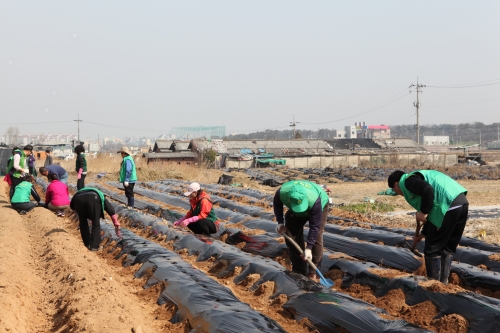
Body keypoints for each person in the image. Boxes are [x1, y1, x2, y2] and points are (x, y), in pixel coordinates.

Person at [388, 170, 469, 284]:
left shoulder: (407, 181)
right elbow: (433, 210)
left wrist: (423, 211)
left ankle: (433, 287)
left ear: (396, 184)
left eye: (393, 189)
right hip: (461, 203)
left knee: (432, 250)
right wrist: (423, 234)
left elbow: (427, 189)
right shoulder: (419, 177)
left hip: (447, 206)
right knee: (447, 248)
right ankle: (443, 284)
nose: (396, 192)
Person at [273, 180, 329, 279]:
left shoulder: (314, 200)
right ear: (289, 200)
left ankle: (313, 272)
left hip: (319, 206)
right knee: (292, 237)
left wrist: (309, 248)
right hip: (295, 211)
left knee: (316, 237)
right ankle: (299, 270)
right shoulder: (282, 193)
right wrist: (280, 222)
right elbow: (277, 204)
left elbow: (314, 227)